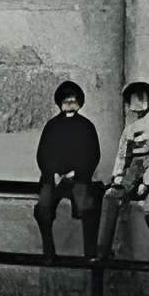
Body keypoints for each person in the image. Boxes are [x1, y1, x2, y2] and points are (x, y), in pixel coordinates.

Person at [95, 81, 149, 271]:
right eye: (134, 98)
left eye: (142, 98)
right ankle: (103, 252)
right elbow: (122, 155)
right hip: (133, 173)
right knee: (111, 197)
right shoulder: (129, 129)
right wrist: (118, 177)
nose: (138, 102)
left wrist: (148, 182)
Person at [31, 80, 101, 263]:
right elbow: (42, 154)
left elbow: (93, 154)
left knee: (88, 209)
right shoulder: (52, 126)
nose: (70, 104)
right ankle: (49, 254)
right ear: (60, 103)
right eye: (66, 101)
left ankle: (90, 255)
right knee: (42, 210)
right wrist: (52, 174)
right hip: (53, 179)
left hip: (78, 178)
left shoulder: (86, 126)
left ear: (79, 102)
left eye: (73, 101)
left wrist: (76, 173)